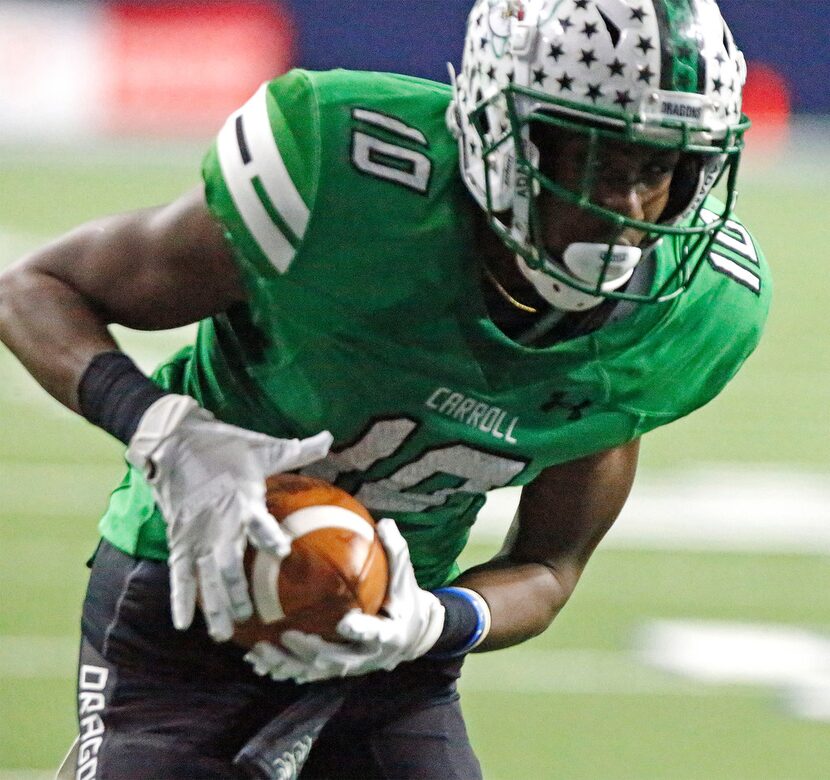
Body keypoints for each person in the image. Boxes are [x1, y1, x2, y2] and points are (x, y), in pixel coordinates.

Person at [0, 0, 770, 777]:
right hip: (191, 589)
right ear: (497, 128)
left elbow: (549, 567)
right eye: (592, 159)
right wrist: (165, 433)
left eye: (656, 167)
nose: (628, 210)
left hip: (388, 648)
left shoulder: (691, 312)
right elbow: (33, 289)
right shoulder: (345, 181)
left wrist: (433, 620)